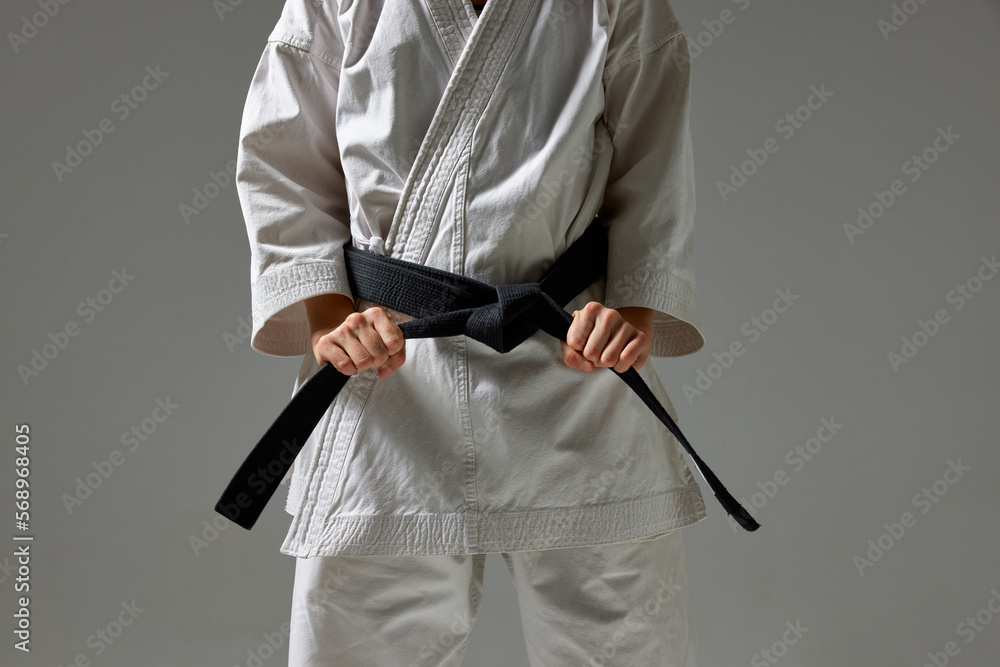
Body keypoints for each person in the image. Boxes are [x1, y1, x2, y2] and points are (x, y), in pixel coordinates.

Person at [235, 0, 707, 663]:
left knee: (625, 646)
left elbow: (656, 157)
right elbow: (283, 158)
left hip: (574, 356)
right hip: (390, 367)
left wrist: (632, 313)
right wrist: (329, 317)